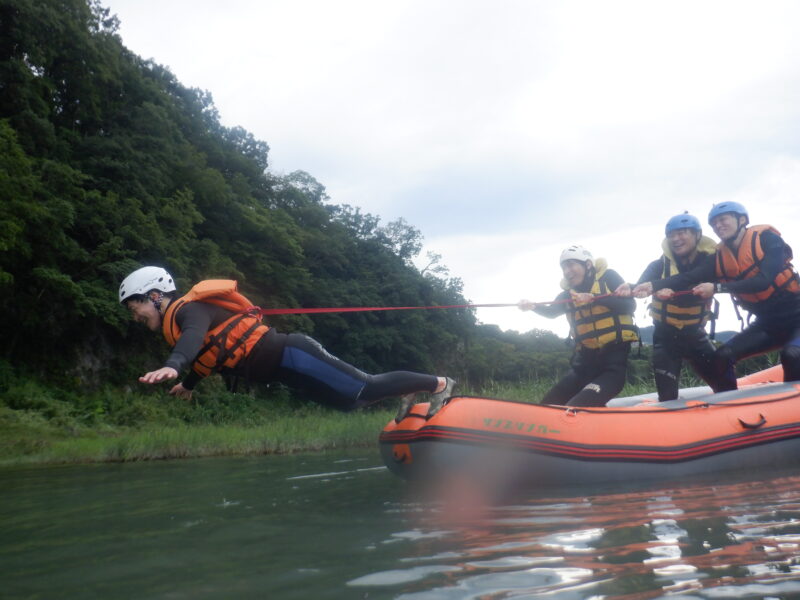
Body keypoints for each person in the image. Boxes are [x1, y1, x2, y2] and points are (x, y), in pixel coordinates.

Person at [119, 266, 455, 419]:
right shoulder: (181, 322)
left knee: (363, 387)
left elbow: (192, 341)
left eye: (137, 308)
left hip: (294, 354)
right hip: (286, 373)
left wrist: (172, 366)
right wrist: (189, 384)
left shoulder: (188, 311)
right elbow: (208, 356)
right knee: (348, 404)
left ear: (154, 295)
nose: (136, 316)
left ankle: (438, 383)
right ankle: (406, 391)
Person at [632, 202, 800, 384]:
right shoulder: (719, 256)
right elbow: (689, 277)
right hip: (768, 325)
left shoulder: (767, 238)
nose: (718, 226)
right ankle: (733, 406)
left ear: (741, 219)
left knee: (792, 354)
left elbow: (764, 280)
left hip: (796, 316)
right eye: (714, 223)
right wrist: (652, 286)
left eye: (723, 220)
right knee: (722, 356)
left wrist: (718, 288)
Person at [617, 213, 736, 400]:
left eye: (682, 233)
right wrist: (632, 288)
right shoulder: (658, 265)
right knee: (667, 397)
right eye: (671, 235)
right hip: (666, 339)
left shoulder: (710, 261)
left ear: (697, 235)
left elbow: (695, 277)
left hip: (696, 337)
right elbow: (642, 286)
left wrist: (657, 286)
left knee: (727, 389)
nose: (676, 239)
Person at [518, 245, 639, 407]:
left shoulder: (609, 277)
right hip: (583, 367)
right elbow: (551, 312)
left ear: (588, 265)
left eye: (571, 265)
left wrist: (594, 298)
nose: (567, 271)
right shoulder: (568, 294)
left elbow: (630, 306)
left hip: (612, 368)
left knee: (575, 407)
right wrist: (533, 306)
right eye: (563, 267)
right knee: (547, 406)